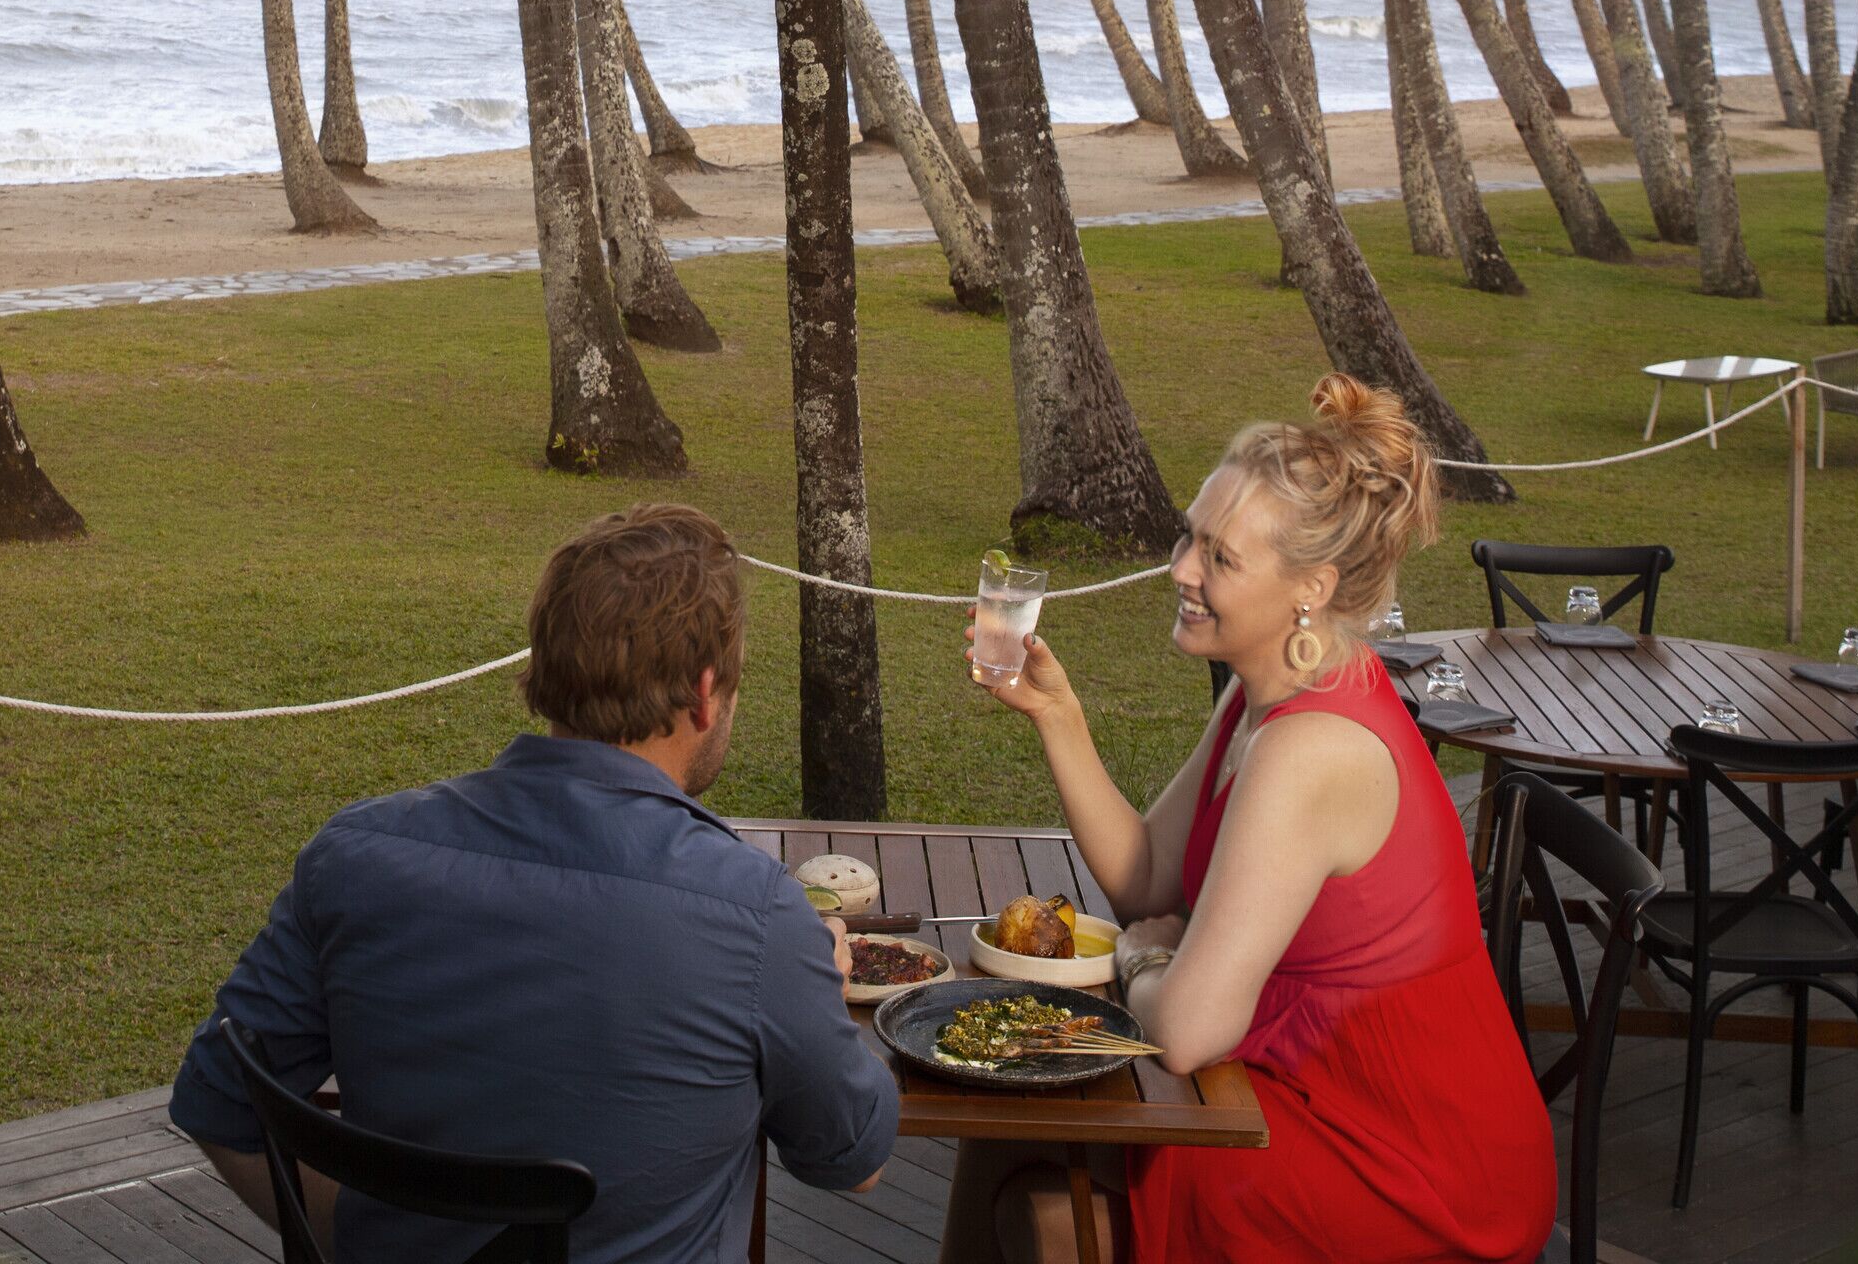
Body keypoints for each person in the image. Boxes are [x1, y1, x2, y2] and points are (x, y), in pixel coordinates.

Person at [171, 503, 897, 1264]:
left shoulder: (355, 856)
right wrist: (820, 987)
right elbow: (857, 1163)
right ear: (705, 692)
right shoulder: (757, 917)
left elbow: (217, 1102)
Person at [944, 377, 1554, 1264]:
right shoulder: (1264, 693)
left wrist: (1147, 956)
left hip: (1413, 1170)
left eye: (1219, 558)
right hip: (1297, 1090)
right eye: (1192, 536)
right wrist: (1058, 716)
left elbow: (1188, 1030)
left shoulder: (1311, 751)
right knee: (1000, 1118)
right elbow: (1148, 874)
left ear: (1312, 587)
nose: (1180, 569)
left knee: (1048, 1217)